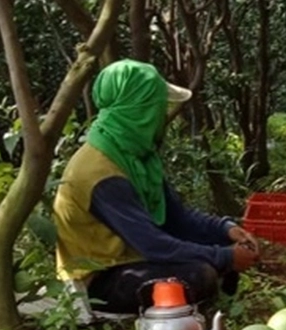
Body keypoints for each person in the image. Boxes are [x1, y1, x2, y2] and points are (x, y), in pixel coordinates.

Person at [53, 59, 260, 314]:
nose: (163, 115)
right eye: (157, 107)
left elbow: (177, 217)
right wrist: (225, 258)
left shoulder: (135, 155)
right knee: (199, 274)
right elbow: (154, 244)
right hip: (101, 279)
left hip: (134, 256)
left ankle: (220, 298)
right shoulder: (99, 172)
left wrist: (226, 229)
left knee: (217, 241)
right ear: (140, 111)